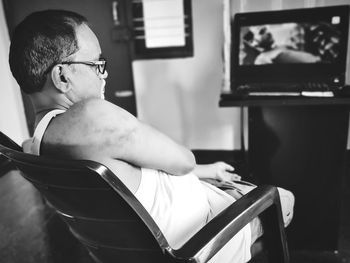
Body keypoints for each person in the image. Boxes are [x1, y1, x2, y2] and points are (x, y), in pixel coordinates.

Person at [9, 10, 294, 263]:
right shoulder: (91, 117)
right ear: (62, 77)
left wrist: (206, 172)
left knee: (233, 184)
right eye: (96, 65)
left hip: (160, 233)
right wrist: (198, 172)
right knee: (284, 199)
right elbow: (183, 160)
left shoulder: (34, 146)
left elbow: (136, 175)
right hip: (199, 241)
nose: (104, 76)